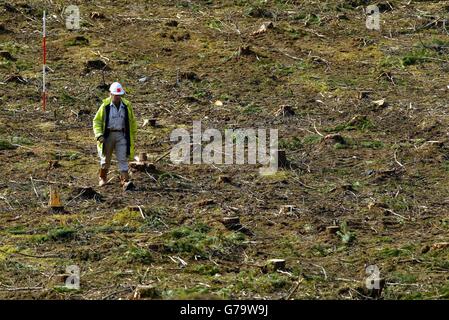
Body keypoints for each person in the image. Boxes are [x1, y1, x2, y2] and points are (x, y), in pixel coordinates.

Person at [93, 82, 137, 190]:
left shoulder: (127, 106)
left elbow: (132, 121)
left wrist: (132, 135)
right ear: (110, 94)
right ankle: (102, 177)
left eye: (119, 95)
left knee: (122, 158)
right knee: (106, 159)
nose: (117, 97)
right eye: (115, 95)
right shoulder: (105, 106)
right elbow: (97, 121)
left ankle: (125, 180)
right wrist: (99, 135)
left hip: (122, 135)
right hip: (108, 135)